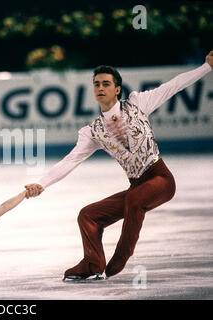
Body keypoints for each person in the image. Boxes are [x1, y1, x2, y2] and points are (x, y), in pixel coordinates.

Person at [25, 51, 213, 280]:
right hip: (137, 186)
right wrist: (41, 183)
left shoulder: (138, 103)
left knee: (135, 200)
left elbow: (172, 86)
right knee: (88, 215)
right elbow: (71, 160)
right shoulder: (92, 131)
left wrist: (206, 67)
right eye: (96, 84)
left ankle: (122, 256)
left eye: (106, 83)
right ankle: (92, 264)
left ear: (117, 89)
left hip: (161, 179)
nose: (100, 88)